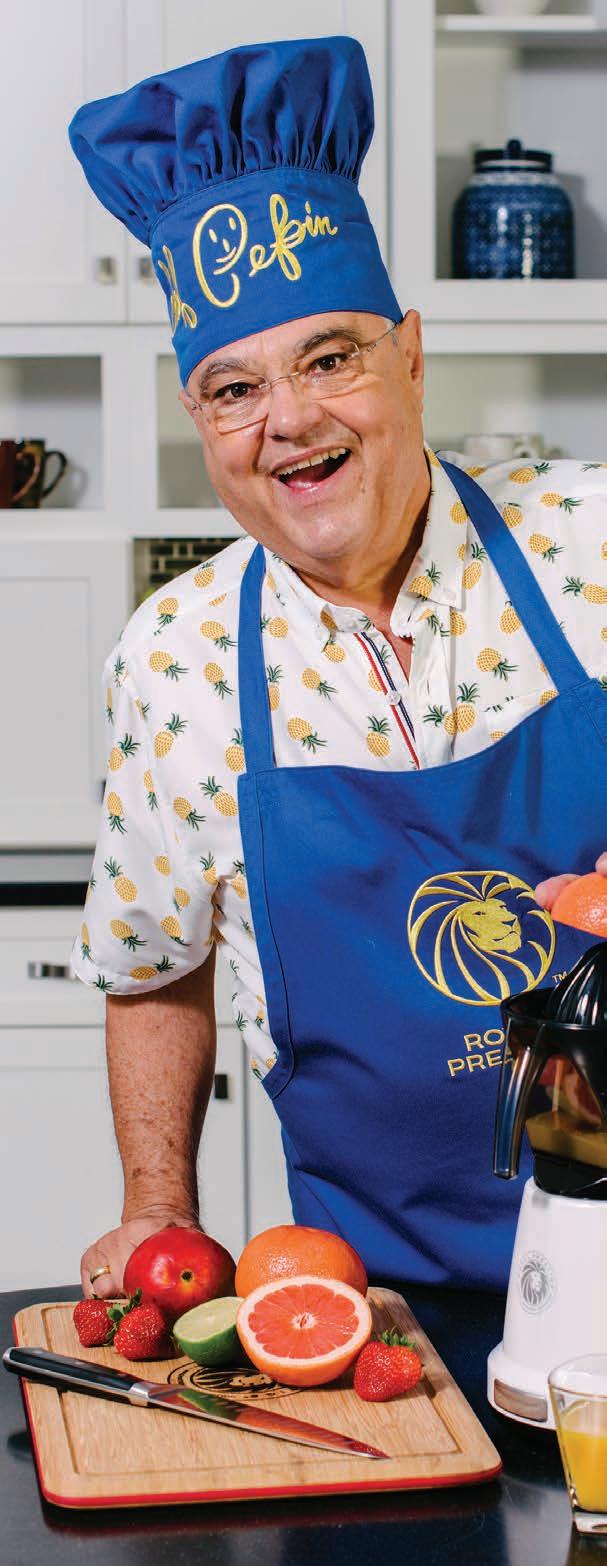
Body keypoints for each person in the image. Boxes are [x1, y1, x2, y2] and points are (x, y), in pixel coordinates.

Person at [68, 37, 607, 1300]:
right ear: (200, 420)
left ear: (410, 356)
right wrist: (157, 1213)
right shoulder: (177, 659)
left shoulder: (590, 541)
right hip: (371, 1311)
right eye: (233, 388)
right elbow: (152, 968)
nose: (290, 421)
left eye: (329, 359)